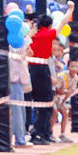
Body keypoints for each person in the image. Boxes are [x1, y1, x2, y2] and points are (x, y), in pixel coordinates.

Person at [27, 14, 58, 144]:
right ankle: (37, 133)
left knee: (41, 104)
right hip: (42, 69)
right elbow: (63, 23)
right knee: (45, 104)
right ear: (50, 25)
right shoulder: (48, 34)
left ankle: (44, 133)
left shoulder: (31, 35)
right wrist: (71, 9)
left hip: (31, 69)